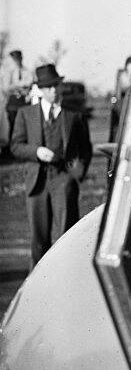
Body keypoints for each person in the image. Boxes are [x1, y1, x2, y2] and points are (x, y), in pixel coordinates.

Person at [10, 64, 92, 266]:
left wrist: (76, 175)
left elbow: (86, 149)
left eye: (56, 86)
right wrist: (36, 151)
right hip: (37, 183)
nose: (53, 91)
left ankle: (67, 282)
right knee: (39, 241)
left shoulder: (74, 115)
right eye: (48, 87)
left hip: (63, 179)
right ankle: (36, 288)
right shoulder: (26, 114)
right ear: (40, 89)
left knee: (67, 236)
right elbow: (15, 146)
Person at [3, 50, 33, 140]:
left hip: (24, 103)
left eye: (18, 58)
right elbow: (6, 88)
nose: (17, 61)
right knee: (12, 126)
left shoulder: (27, 71)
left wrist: (16, 86)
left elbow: (29, 85)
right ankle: (11, 149)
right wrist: (20, 86)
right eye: (14, 59)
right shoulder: (10, 72)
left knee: (23, 127)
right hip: (12, 103)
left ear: (21, 58)